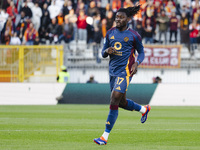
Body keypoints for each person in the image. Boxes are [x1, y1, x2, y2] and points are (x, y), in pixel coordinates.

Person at [93, 5, 151, 145]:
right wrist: (107, 50)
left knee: (114, 99)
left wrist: (137, 62)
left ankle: (104, 136)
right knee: (122, 103)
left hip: (125, 72)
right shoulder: (110, 33)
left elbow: (142, 52)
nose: (118, 19)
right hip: (112, 71)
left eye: (121, 17)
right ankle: (144, 109)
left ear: (128, 19)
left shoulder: (133, 35)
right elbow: (102, 53)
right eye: (117, 17)